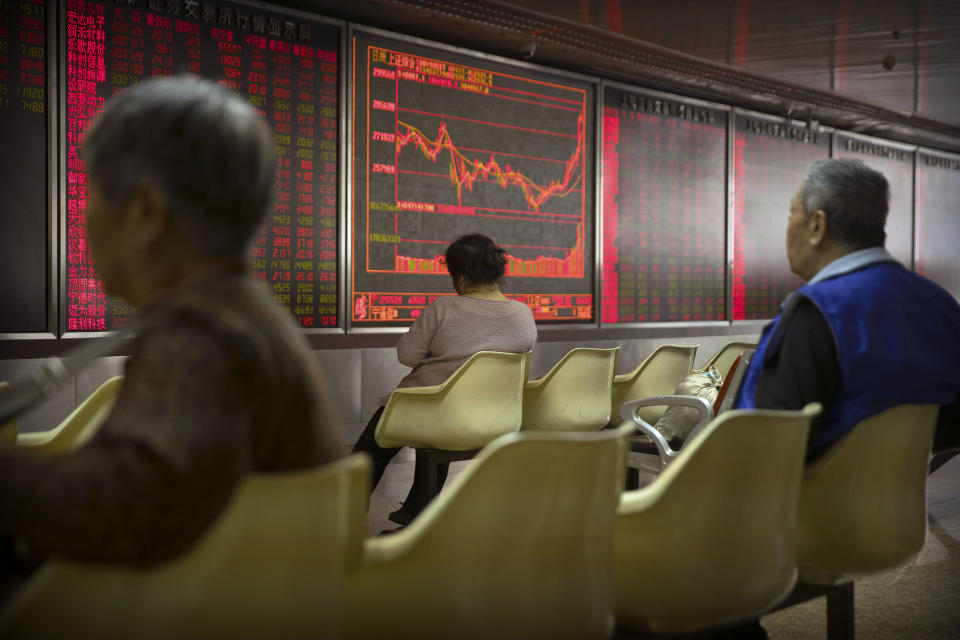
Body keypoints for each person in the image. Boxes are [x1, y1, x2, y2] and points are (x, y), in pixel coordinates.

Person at [0, 76, 345, 576]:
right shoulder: (239, 310)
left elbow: (123, 508)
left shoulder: (201, 332)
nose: (85, 217)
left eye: (91, 195)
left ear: (144, 211)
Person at [735, 158, 960, 462]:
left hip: (806, 508)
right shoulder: (942, 306)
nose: (788, 225)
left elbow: (763, 448)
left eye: (792, 212)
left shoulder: (816, 315)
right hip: (900, 508)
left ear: (817, 225)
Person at [352, 234, 537, 525]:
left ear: (460, 279)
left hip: (438, 414)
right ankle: (415, 511)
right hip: (494, 416)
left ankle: (344, 514)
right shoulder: (523, 313)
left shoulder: (444, 308)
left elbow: (407, 355)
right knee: (436, 429)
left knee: (372, 447)